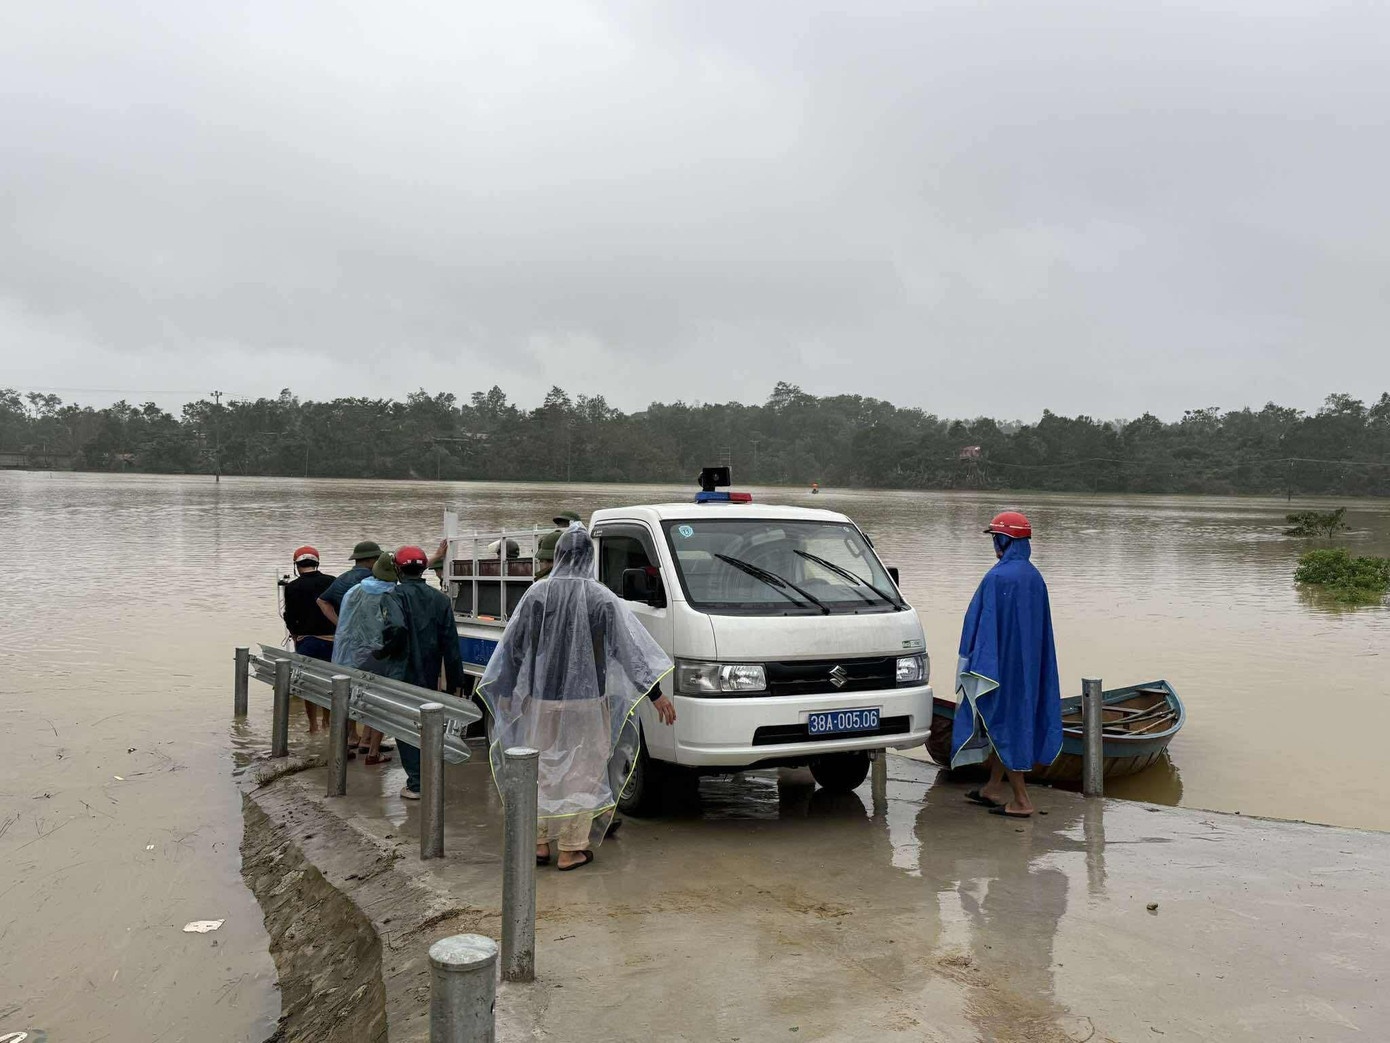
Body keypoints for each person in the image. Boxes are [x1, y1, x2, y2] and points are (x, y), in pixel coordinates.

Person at [479, 525, 676, 871]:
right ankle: (571, 849)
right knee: (584, 772)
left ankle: (538, 844)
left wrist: (507, 692)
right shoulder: (602, 598)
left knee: (539, 768)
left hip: (540, 702)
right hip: (587, 703)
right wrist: (656, 694)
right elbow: (629, 651)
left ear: (557, 556)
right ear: (590, 556)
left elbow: (512, 649)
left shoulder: (537, 594)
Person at [951, 511, 1062, 819]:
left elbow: (981, 626)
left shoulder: (998, 577)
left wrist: (974, 663)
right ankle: (992, 786)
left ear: (1005, 540)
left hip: (1001, 668)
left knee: (1005, 722)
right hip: (1029, 669)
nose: (994, 545)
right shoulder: (1034, 577)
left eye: (995, 538)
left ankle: (1022, 800)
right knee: (1008, 721)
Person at [389, 545, 467, 801]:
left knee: (404, 725)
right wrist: (456, 682)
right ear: (423, 569)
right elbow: (451, 644)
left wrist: (383, 653)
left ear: (399, 569)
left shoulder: (394, 596)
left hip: (402, 672)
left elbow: (396, 629)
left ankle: (416, 784)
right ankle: (430, 778)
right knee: (429, 725)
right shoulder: (440, 599)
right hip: (432, 674)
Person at [330, 553, 405, 765]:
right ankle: (372, 750)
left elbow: (344, 624)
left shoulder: (354, 591)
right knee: (379, 701)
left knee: (346, 698)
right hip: (378, 654)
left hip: (347, 653)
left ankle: (343, 745)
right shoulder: (392, 593)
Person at [317, 540, 384, 751]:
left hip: (345, 645)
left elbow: (321, 601)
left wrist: (341, 624)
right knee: (373, 691)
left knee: (348, 690)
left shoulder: (342, 579)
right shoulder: (374, 580)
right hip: (371, 644)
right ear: (372, 560)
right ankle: (368, 741)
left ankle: (352, 737)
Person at [280, 545, 336, 732]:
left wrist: (295, 635)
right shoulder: (332, 582)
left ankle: (313, 725)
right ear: (317, 563)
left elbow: (289, 615)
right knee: (330, 682)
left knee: (308, 684)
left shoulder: (292, 587)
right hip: (332, 640)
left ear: (296, 565)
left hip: (306, 641)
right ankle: (327, 722)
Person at [534, 511, 581, 580]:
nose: (561, 527)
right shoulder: (549, 540)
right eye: (560, 524)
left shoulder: (582, 543)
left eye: (565, 525)